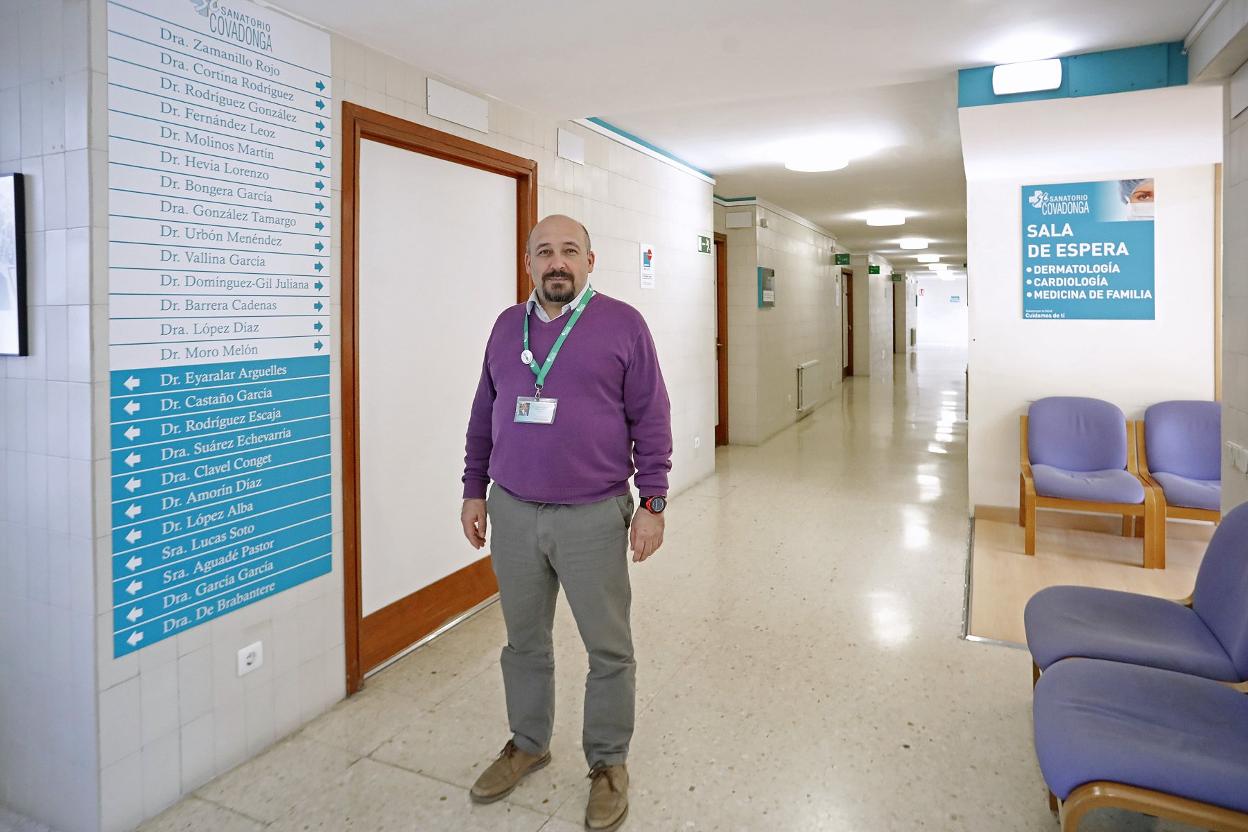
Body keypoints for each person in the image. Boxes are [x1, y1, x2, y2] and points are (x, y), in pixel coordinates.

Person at [460, 214, 673, 831]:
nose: (557, 262)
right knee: (523, 643)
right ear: (529, 262)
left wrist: (653, 503)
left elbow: (652, 418)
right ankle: (528, 742)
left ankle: (608, 763)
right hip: (514, 510)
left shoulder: (623, 325)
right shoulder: (507, 327)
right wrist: (475, 490)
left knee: (608, 648)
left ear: (590, 261)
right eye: (544, 252)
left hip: (593, 516)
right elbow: (484, 415)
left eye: (569, 251)